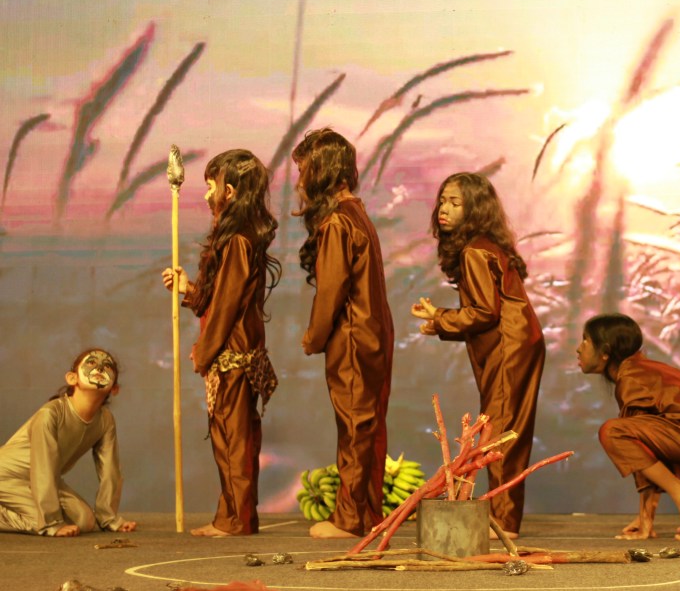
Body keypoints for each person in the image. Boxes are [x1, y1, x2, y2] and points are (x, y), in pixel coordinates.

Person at [411, 172, 545, 539]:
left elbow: (485, 312)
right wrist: (440, 323)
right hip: (516, 342)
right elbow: (488, 312)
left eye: (455, 203)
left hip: (509, 346)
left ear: (475, 209)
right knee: (504, 429)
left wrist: (441, 317)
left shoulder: (474, 251)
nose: (444, 209)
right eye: (443, 201)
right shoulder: (486, 246)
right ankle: (503, 516)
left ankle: (503, 521)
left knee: (499, 432)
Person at [162, 149, 281, 537]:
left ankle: (236, 520)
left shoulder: (238, 243)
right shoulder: (237, 240)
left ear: (228, 191)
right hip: (233, 353)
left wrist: (204, 351)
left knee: (234, 441)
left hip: (233, 357)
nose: (206, 194)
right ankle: (232, 516)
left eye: (210, 185)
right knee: (230, 439)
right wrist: (190, 289)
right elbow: (220, 299)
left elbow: (227, 308)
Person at [292, 128, 393, 539]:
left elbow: (331, 291)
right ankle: (366, 515)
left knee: (354, 427)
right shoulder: (357, 214)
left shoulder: (337, 222)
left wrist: (314, 337)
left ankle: (350, 519)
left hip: (353, 336)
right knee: (368, 427)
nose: (300, 181)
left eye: (304, 170)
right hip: (373, 334)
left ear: (321, 171)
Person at [576, 313, 680, 542]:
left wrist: (646, 519)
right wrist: (645, 519)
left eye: (585, 340)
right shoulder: (635, 370)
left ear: (605, 352)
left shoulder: (632, 377)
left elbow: (635, 451)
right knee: (628, 434)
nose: (579, 349)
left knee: (613, 432)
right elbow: (646, 451)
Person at [0, 348, 137, 537]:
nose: (99, 368)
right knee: (40, 520)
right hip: (6, 477)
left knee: (85, 521)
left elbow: (110, 470)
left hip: (44, 479)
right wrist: (52, 522)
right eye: (91, 363)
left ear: (115, 388)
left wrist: (109, 519)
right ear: (72, 378)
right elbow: (43, 467)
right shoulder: (50, 414)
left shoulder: (105, 420)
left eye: (107, 366)